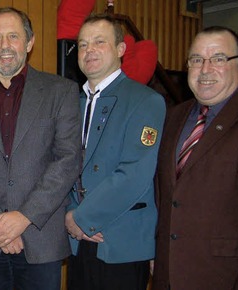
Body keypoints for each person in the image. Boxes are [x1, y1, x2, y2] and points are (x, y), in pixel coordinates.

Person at [0, 7, 81, 290]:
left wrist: (24, 218)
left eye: (13, 36)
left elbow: (68, 159)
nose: (5, 45)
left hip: (40, 238)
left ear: (30, 42)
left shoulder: (62, 92)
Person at [153, 26, 238, 290]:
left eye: (218, 59)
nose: (205, 69)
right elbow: (164, 194)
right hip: (168, 274)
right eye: (196, 60)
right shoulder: (173, 118)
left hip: (225, 277)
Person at [64, 14, 165, 290]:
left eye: (99, 42)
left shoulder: (146, 101)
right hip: (77, 240)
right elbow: (61, 166)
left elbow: (134, 174)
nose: (89, 50)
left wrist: (82, 218)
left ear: (121, 50)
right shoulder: (71, 103)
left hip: (120, 242)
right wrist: (69, 215)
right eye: (83, 45)